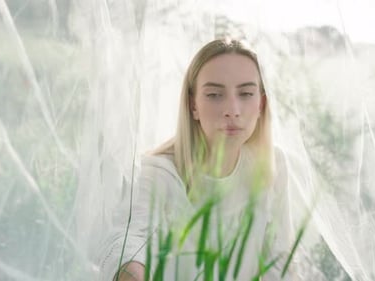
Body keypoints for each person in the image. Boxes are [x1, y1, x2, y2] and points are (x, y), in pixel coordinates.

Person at [98, 38, 320, 281]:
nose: (232, 109)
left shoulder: (271, 163)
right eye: (215, 95)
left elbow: (280, 260)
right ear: (193, 105)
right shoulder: (158, 171)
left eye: (246, 93)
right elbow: (128, 240)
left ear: (261, 104)